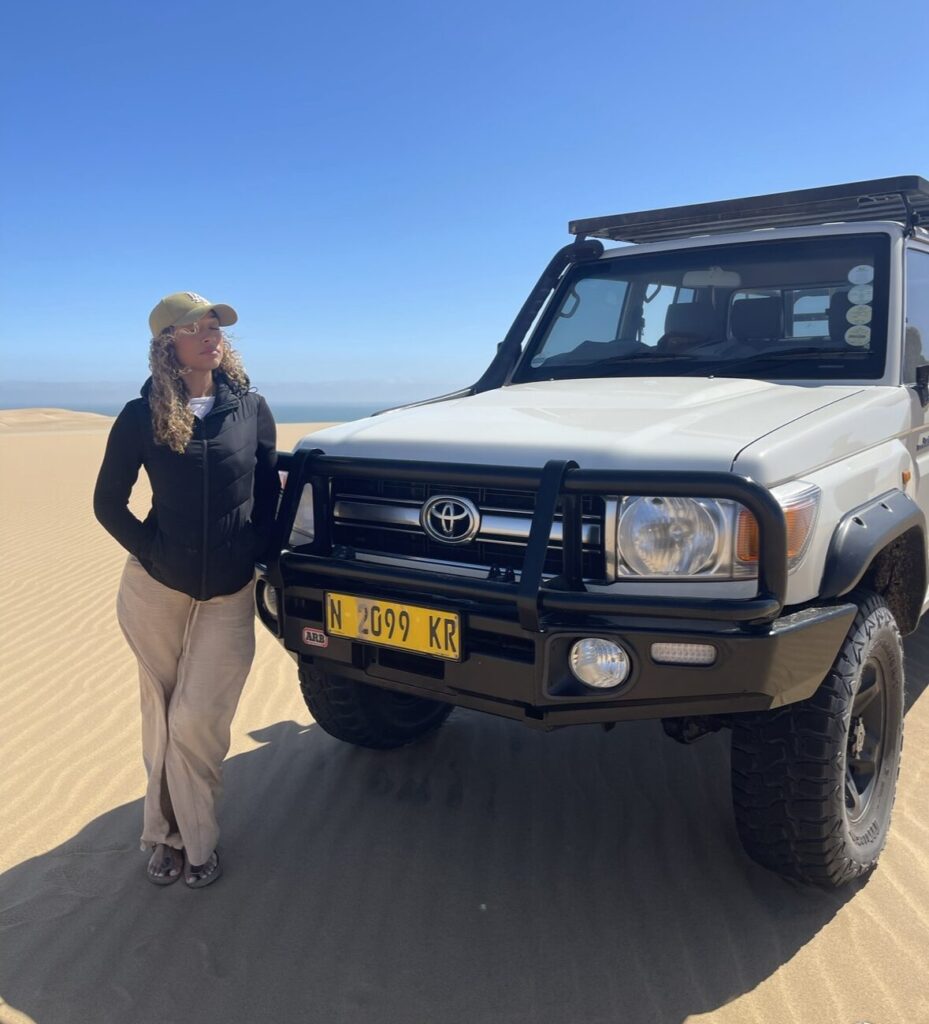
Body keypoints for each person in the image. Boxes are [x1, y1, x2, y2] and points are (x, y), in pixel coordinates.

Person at [94, 291, 279, 888]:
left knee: (197, 720)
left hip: (227, 594)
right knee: (161, 719)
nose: (211, 335)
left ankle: (198, 839)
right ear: (166, 344)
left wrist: (257, 552)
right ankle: (165, 837)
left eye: (215, 326)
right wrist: (152, 552)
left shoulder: (251, 409)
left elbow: (270, 499)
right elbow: (108, 504)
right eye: (195, 327)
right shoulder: (140, 413)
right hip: (155, 592)